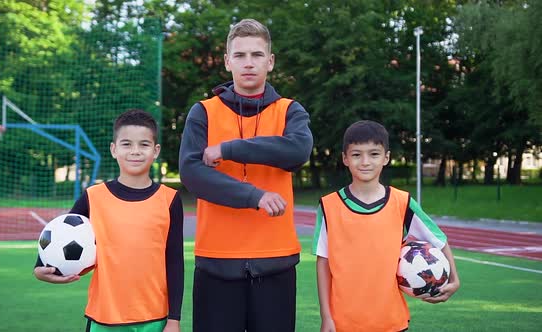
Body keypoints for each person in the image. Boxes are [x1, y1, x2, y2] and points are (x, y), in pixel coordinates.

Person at [179, 18, 313, 332]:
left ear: (271, 61)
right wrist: (256, 196)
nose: (248, 63)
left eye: (256, 55)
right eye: (239, 55)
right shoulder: (203, 111)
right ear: (227, 62)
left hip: (276, 260)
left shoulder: (290, 110)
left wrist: (229, 149)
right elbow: (192, 173)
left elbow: (296, 151)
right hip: (216, 261)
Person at [34, 109, 184, 332]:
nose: (135, 151)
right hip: (104, 317)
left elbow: (174, 262)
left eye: (144, 144)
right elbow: (62, 233)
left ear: (155, 151)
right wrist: (41, 267)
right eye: (126, 144)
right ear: (114, 149)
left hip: (155, 317)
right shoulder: (93, 197)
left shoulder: (170, 199)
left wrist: (174, 319)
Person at [312, 120, 460, 332]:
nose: (365, 162)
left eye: (374, 154)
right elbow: (323, 262)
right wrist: (326, 316)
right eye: (356, 154)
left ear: (386, 157)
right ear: (345, 158)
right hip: (343, 321)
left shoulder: (402, 202)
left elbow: (439, 240)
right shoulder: (329, 205)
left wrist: (455, 280)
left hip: (391, 321)